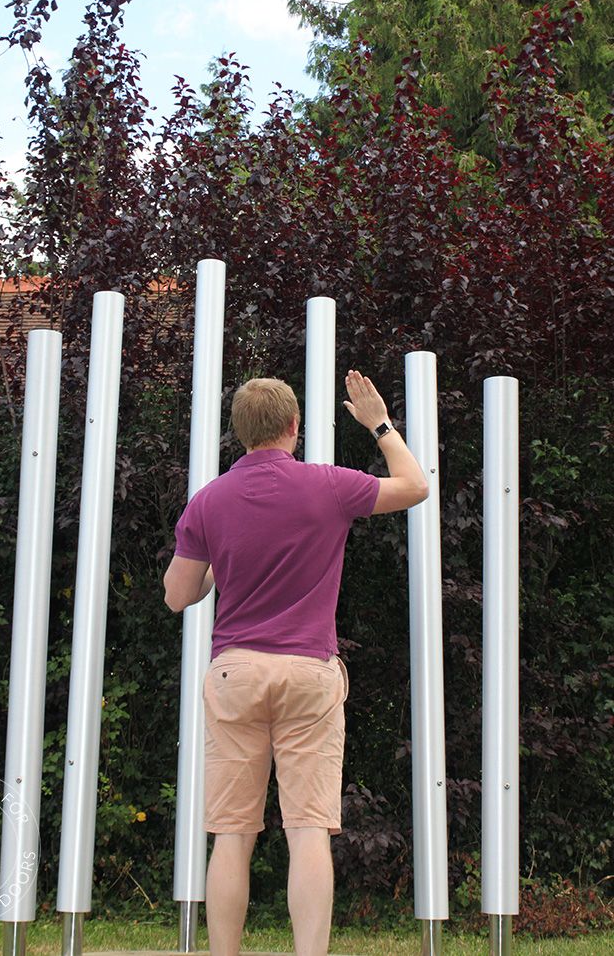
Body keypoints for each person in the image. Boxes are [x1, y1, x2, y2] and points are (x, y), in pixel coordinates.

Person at [163, 371, 428, 956]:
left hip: (236, 674)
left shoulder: (207, 501)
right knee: (308, 832)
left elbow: (179, 596)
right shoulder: (327, 486)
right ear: (294, 427)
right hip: (309, 674)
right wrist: (378, 423)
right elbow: (414, 487)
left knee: (232, 836)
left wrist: (217, 565)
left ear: (238, 434)